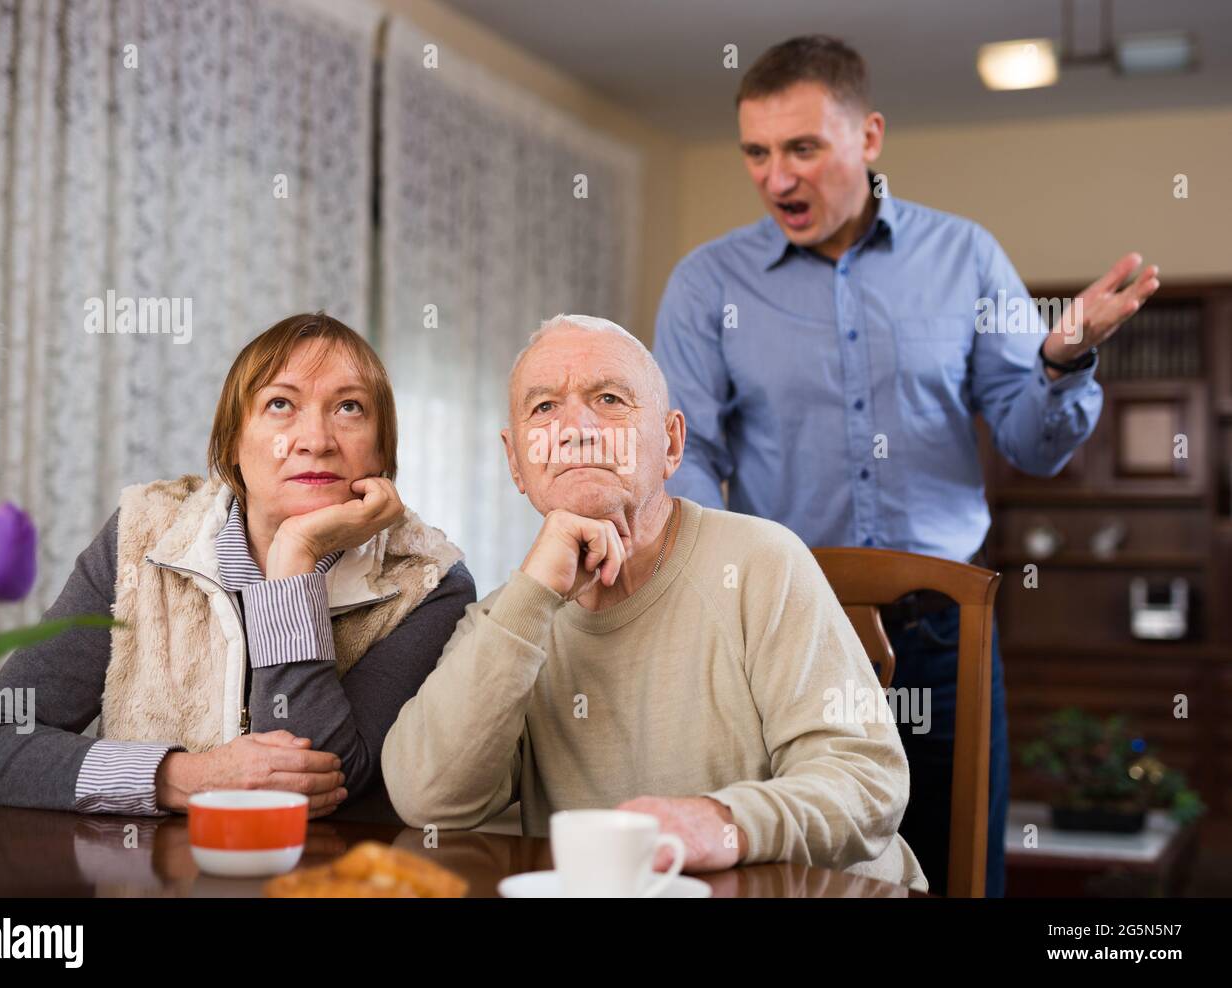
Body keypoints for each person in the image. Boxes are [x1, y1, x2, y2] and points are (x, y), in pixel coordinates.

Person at [653, 35, 1160, 895]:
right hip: (787, 633)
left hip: (943, 633)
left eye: (803, 148)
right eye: (757, 152)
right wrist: (720, 583)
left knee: (958, 869)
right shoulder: (709, 284)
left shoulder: (965, 259)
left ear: (870, 137)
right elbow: (689, 451)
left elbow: (1034, 443)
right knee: (803, 871)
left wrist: (1064, 359)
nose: (778, 178)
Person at [383, 314, 927, 892]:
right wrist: (532, 595)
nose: (576, 428)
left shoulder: (762, 560)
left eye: (609, 398)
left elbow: (866, 780)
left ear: (671, 443)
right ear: (516, 461)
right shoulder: (510, 617)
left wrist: (723, 821)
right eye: (543, 408)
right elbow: (428, 800)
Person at [0, 312, 475, 820]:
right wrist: (183, 778)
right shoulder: (141, 535)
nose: (316, 440)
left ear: (382, 451)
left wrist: (294, 560)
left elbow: (316, 787)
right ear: (231, 443)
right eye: (280, 404)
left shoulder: (428, 582)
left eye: (349, 408)